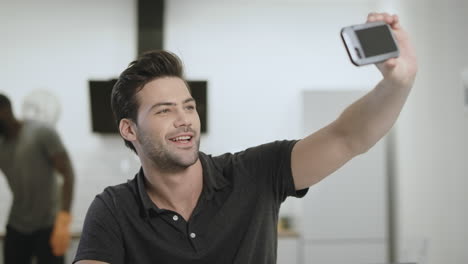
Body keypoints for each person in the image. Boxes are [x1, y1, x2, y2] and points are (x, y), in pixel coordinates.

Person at [74, 12, 417, 264]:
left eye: (189, 107)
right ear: (129, 129)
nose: (184, 121)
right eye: (164, 110)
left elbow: (347, 137)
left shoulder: (254, 172)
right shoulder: (113, 209)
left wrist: (397, 83)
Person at [0, 93, 75, 264]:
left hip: (49, 226)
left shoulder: (41, 132)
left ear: (5, 110)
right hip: (17, 225)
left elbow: (67, 173)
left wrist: (64, 220)